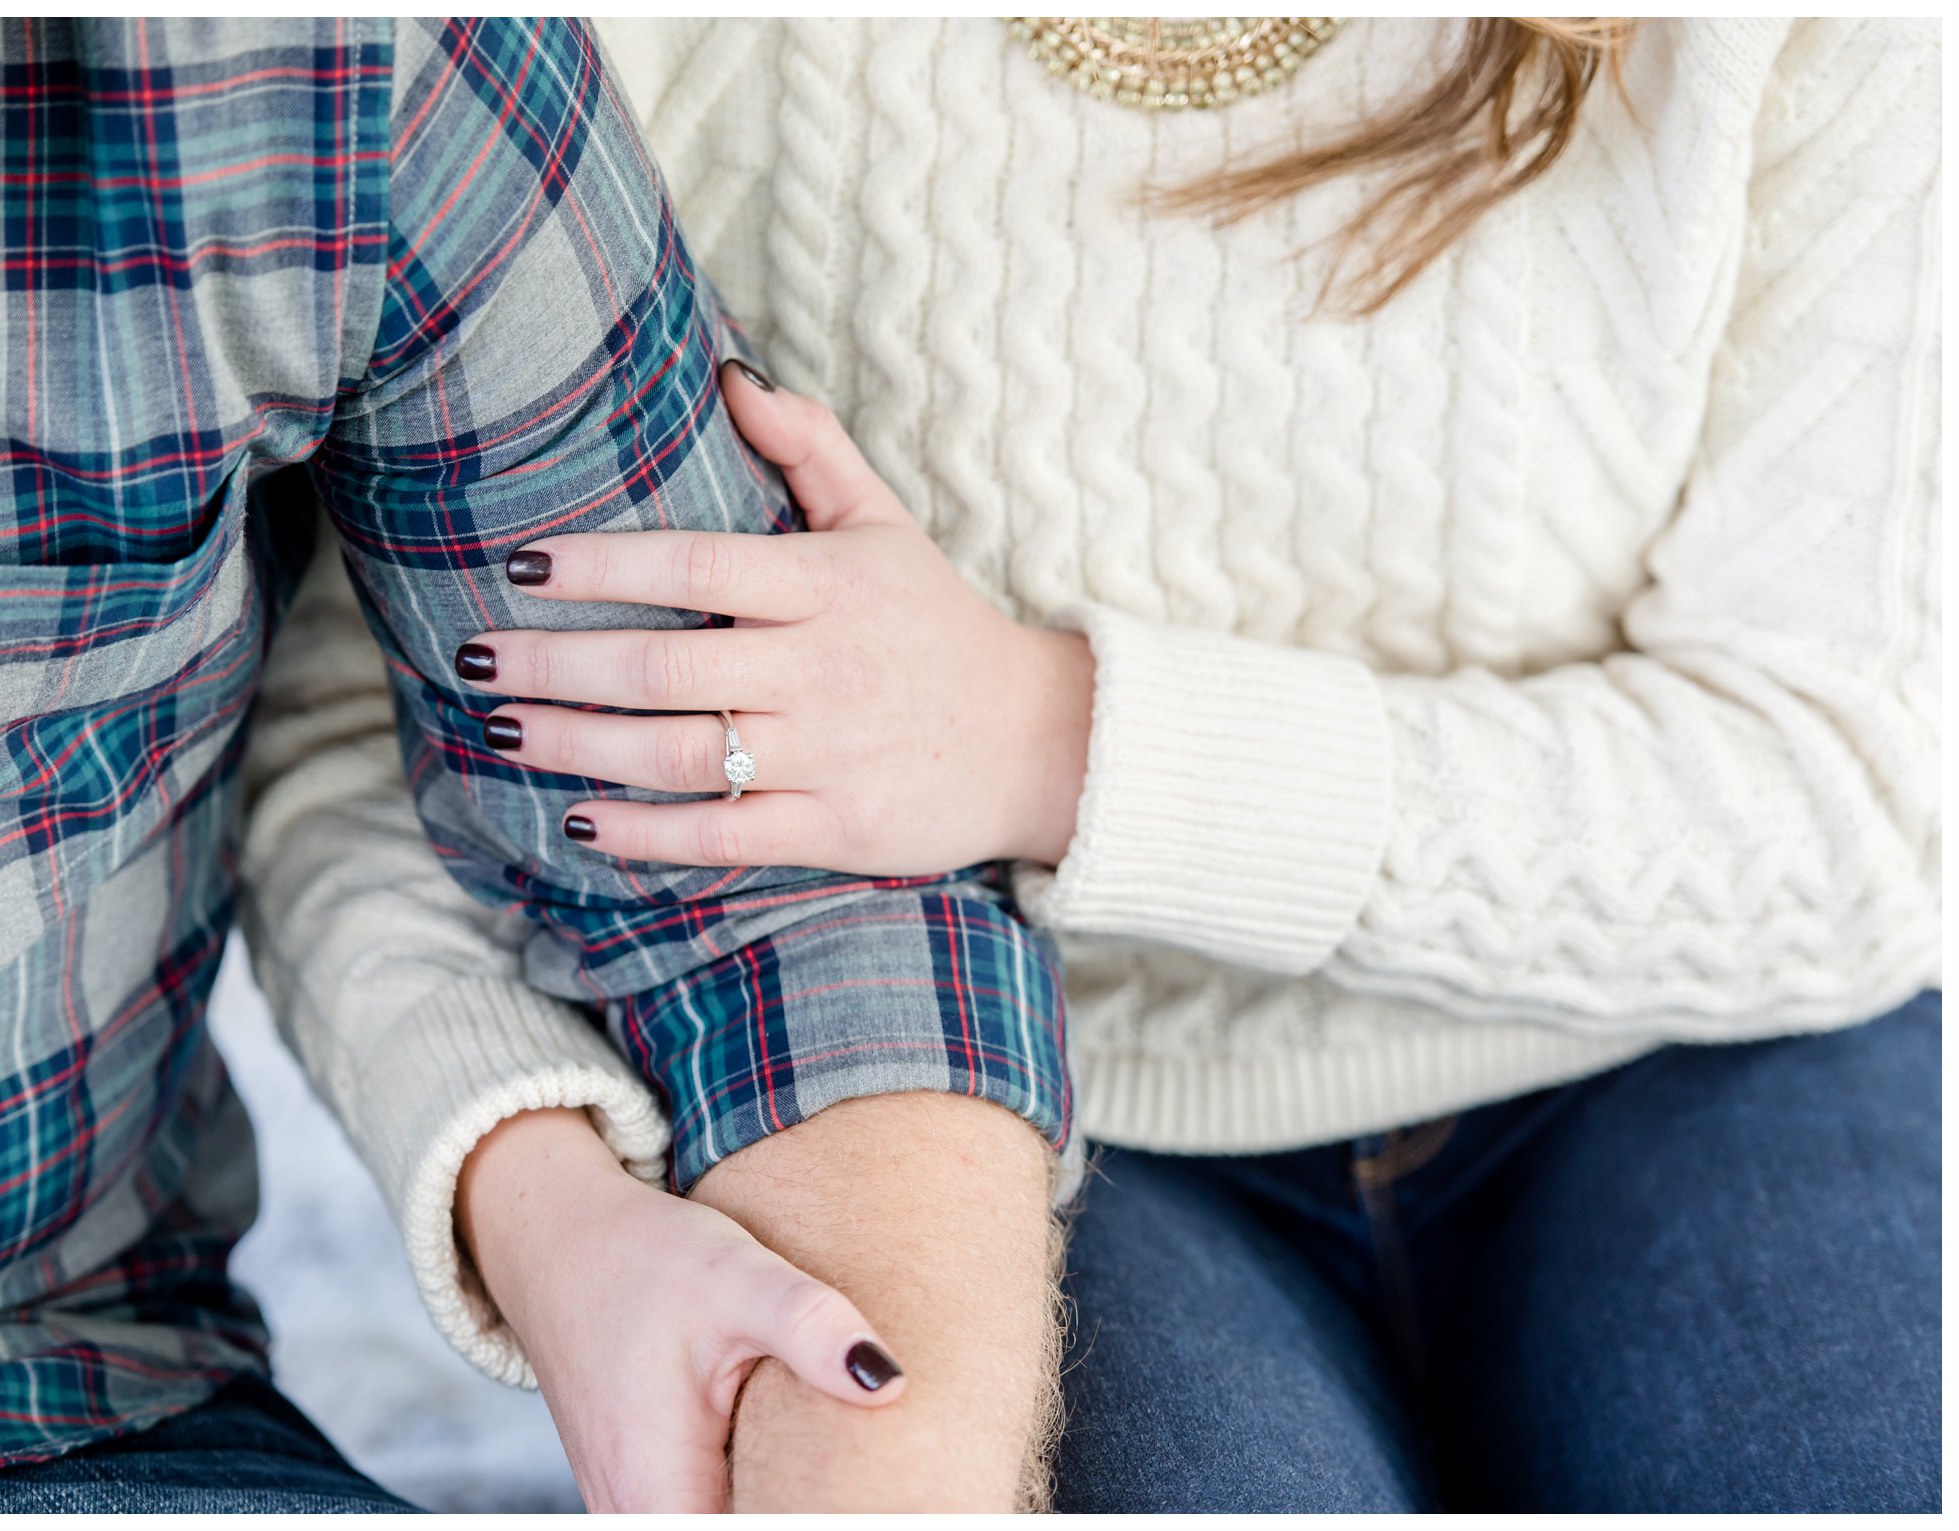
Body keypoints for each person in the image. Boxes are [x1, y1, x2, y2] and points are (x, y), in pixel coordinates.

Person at [479, 14, 1928, 1510]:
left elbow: (1858, 795)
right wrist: (537, 1193)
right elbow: (392, 711)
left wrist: (1048, 739)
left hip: (1691, 1049)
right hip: (1015, 1114)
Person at [0, 17, 1071, 1513]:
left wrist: (1059, 728)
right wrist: (528, 1190)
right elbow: (356, 734)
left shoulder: (366, 59)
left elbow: (771, 887)